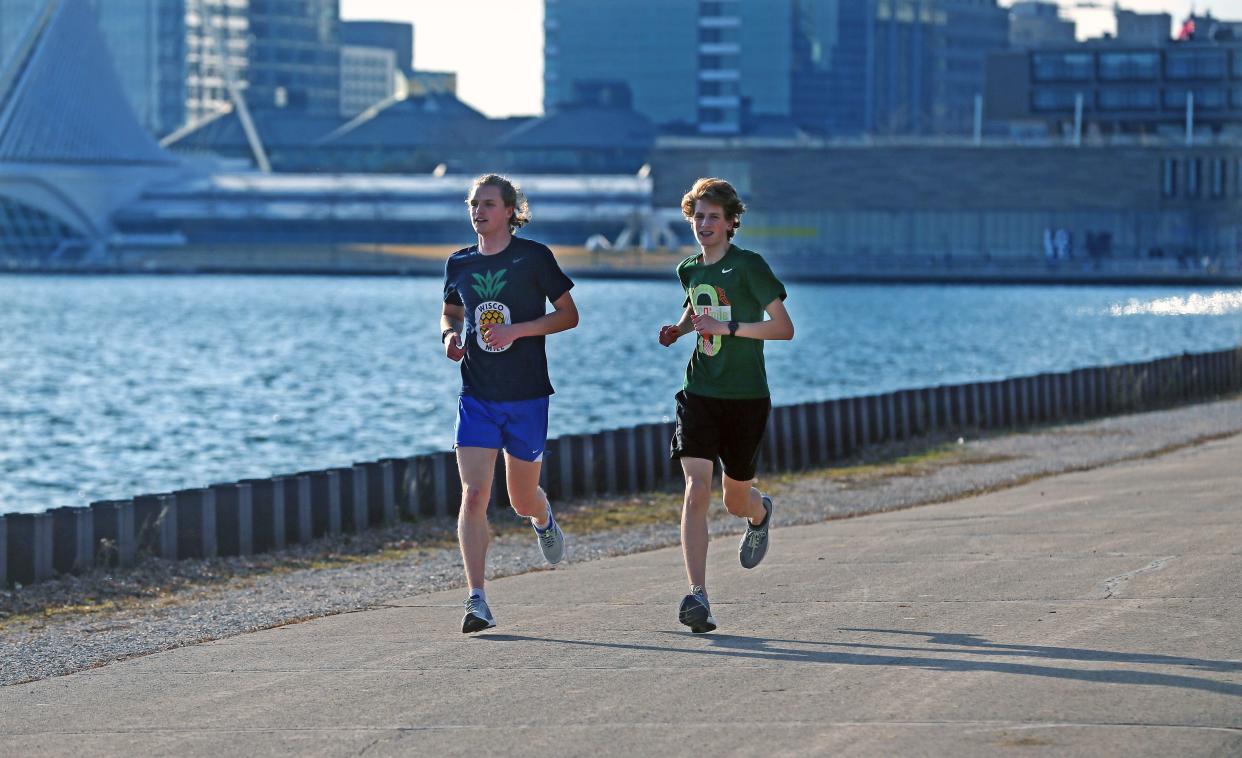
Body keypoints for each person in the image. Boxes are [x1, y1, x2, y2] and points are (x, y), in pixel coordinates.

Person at [441, 174, 579, 633]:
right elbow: (452, 310)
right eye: (473, 204)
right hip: (477, 394)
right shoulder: (459, 262)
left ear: (509, 211)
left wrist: (516, 330)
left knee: (521, 499)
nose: (478, 211)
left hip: (526, 395)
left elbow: (568, 314)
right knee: (475, 494)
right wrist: (450, 335)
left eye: (487, 204)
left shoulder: (534, 257)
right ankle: (476, 599)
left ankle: (542, 519)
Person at [658, 177, 794, 633]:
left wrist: (730, 327)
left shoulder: (750, 266)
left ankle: (760, 513)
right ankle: (698, 596)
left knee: (735, 499)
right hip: (699, 392)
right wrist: (679, 330)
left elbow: (783, 328)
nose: (705, 224)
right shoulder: (689, 269)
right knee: (696, 488)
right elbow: (697, 304)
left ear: (732, 221)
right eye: (698, 216)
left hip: (746, 397)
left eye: (714, 216)